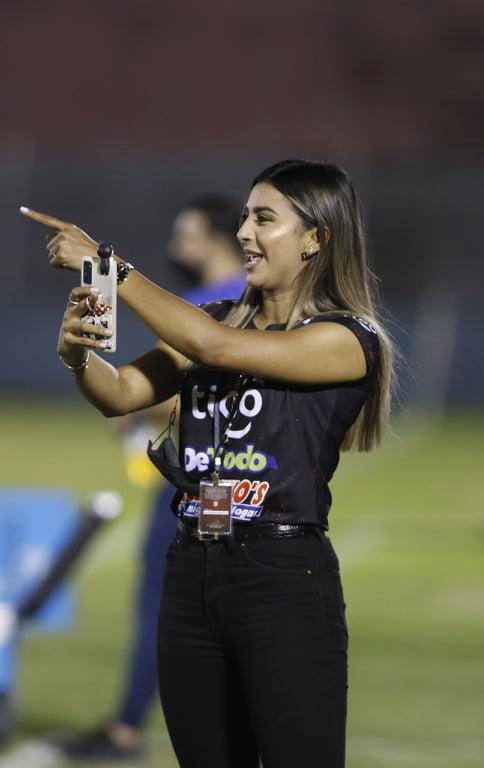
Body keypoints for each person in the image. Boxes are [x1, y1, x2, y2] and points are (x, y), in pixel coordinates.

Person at [22, 158, 395, 768]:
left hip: (281, 578)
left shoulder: (348, 338)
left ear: (315, 238)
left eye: (264, 219)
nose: (244, 233)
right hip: (191, 569)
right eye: (245, 217)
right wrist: (78, 357)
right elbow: (122, 394)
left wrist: (110, 266)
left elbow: (214, 348)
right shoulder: (217, 318)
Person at [62, 193, 246, 762]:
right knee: (215, 595)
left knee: (168, 597)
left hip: (201, 480)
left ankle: (126, 728)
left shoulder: (218, 302)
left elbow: (204, 391)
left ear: (216, 238)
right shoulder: (247, 296)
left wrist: (138, 410)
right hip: (226, 480)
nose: (175, 246)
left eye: (186, 234)